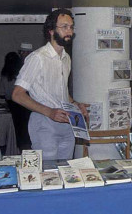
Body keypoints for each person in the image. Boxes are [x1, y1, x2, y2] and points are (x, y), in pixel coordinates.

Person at [11, 9, 88, 161]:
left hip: (66, 122)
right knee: (48, 174)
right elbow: (17, 94)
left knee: (65, 170)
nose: (69, 31)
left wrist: (75, 104)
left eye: (71, 27)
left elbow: (62, 92)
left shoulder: (66, 58)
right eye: (64, 26)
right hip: (44, 122)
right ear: (51, 30)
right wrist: (49, 112)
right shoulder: (37, 58)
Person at [0, 52, 31, 150]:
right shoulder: (22, 73)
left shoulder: (5, 75)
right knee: (25, 130)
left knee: (15, 130)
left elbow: (1, 93)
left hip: (12, 106)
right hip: (24, 104)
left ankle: (16, 149)